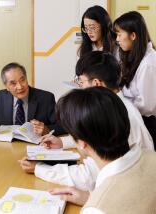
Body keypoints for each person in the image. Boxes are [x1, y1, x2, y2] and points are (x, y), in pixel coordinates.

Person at [19, 51, 153, 191]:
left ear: (96, 84)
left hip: (129, 189)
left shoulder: (111, 115)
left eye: (81, 82)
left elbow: (87, 178)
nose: (79, 87)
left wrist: (39, 169)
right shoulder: (118, 105)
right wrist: (62, 142)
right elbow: (93, 136)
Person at [49, 87, 156, 213]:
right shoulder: (152, 156)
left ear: (83, 143)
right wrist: (92, 197)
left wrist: (95, 202)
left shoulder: (97, 209)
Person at [0, 62, 64, 136]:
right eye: (13, 83)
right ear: (6, 86)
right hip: (6, 148)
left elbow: (63, 126)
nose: (20, 86)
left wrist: (47, 130)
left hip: (34, 148)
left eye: (22, 80)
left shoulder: (46, 98)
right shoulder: (0, 97)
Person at [114, 11, 156, 148]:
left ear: (133, 35)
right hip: (136, 118)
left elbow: (147, 106)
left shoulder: (148, 63)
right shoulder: (134, 57)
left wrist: (121, 107)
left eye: (120, 34)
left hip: (148, 123)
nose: (117, 39)